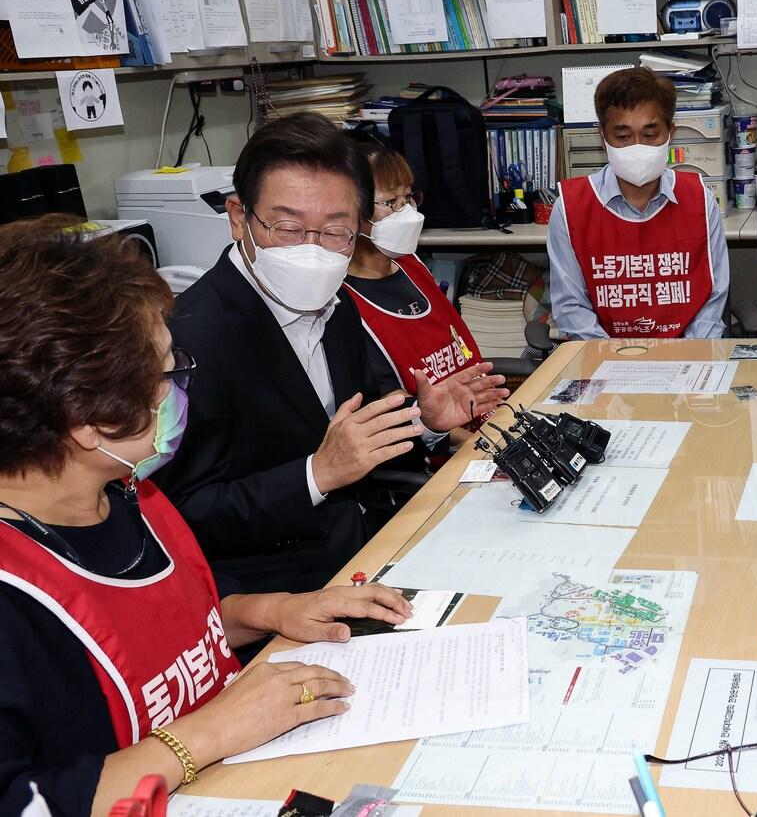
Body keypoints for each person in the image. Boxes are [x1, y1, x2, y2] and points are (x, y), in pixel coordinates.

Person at [0, 217, 416, 816]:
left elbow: (160, 630)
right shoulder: (15, 595)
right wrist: (208, 733)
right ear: (87, 419)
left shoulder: (125, 492)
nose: (177, 389)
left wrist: (273, 610)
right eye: (165, 373)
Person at [154, 113, 506, 595]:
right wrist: (315, 475)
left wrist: (423, 421)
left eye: (336, 231)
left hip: (363, 549)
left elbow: (357, 435)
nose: (313, 252)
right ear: (238, 218)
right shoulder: (187, 341)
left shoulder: (336, 304)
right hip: (273, 589)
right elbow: (179, 516)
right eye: (288, 227)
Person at [547, 66, 730, 339]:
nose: (637, 147)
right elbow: (571, 308)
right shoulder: (570, 209)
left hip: (687, 355)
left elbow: (712, 299)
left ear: (670, 133)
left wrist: (690, 355)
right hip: (603, 355)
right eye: (623, 137)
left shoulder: (700, 201)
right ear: (602, 137)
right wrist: (613, 359)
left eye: (650, 135)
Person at [343, 139, 499, 403]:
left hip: (485, 409)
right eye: (391, 201)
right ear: (350, 209)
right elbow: (395, 409)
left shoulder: (412, 264)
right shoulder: (345, 302)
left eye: (408, 198)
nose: (406, 212)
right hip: (432, 426)